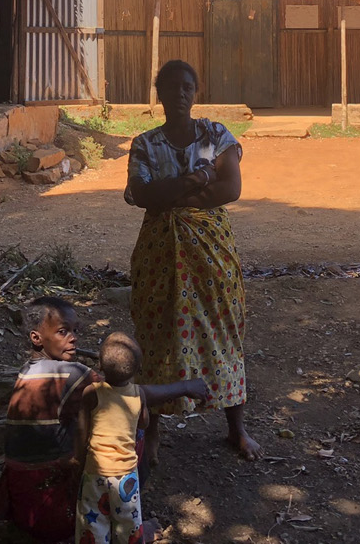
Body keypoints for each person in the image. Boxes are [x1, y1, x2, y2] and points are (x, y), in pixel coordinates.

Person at [126, 59, 261, 468]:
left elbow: (231, 188)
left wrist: (172, 195)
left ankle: (236, 427)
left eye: (187, 87)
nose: (180, 94)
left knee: (223, 325)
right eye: (172, 87)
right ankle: (153, 430)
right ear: (160, 94)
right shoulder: (145, 143)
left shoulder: (215, 135)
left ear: (196, 92)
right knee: (158, 328)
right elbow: (142, 195)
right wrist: (197, 180)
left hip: (211, 251)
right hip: (160, 252)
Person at [0, 298, 202, 543]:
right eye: (63, 332)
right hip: (54, 514)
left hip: (24, 508)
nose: (73, 338)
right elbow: (128, 393)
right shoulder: (72, 374)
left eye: (75, 330)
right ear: (36, 338)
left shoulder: (27, 371)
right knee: (131, 429)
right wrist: (185, 387)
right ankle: (125, 524)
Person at [75, 332, 202, 544]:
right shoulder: (138, 394)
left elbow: (81, 430)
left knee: (93, 523)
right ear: (138, 369)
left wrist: (77, 460)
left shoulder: (91, 392)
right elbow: (144, 423)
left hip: (95, 471)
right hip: (126, 475)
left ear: (100, 365)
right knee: (129, 524)